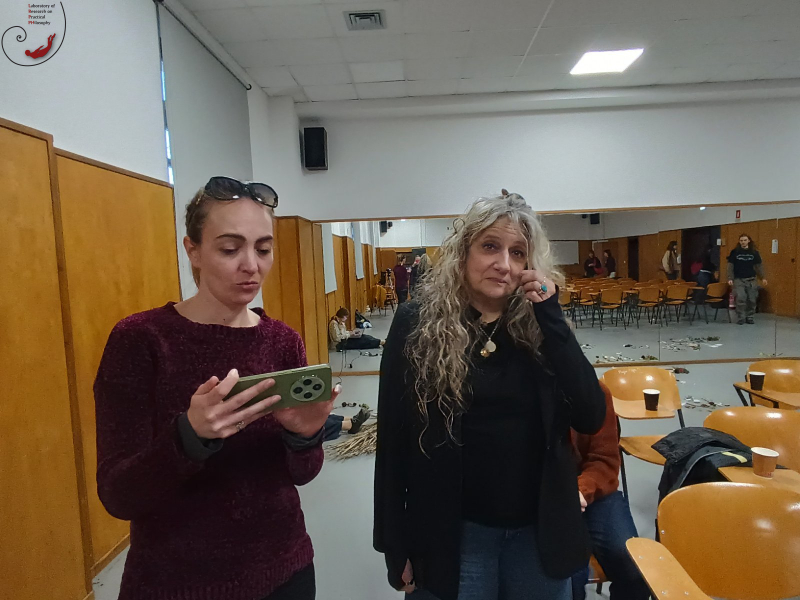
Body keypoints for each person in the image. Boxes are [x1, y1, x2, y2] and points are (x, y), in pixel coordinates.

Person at [94, 176, 338, 600]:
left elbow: (303, 474)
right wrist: (188, 436)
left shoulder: (283, 341)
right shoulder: (142, 340)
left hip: (286, 571)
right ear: (193, 251)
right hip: (177, 584)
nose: (252, 265)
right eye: (229, 249)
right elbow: (118, 495)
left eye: (263, 249)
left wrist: (305, 436)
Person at [374, 193, 606, 600]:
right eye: (490, 246)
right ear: (463, 252)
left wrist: (551, 317)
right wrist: (393, 542)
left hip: (536, 531)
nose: (504, 264)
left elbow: (590, 414)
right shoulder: (417, 322)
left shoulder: (540, 324)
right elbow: (393, 441)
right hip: (457, 532)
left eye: (518, 253)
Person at [570, 383, 649, 600]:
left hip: (596, 494)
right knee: (569, 579)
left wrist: (581, 490)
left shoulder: (595, 392)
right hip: (547, 500)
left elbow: (604, 460)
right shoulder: (521, 392)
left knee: (635, 569)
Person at [727, 233, 767, 325]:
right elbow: (730, 266)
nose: (743, 242)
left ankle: (750, 317)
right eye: (741, 240)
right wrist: (730, 278)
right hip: (738, 279)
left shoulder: (754, 253)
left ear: (749, 241)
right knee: (741, 297)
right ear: (739, 242)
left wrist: (763, 277)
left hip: (751, 279)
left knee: (751, 299)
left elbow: (759, 266)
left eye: (745, 240)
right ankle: (741, 317)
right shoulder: (734, 252)